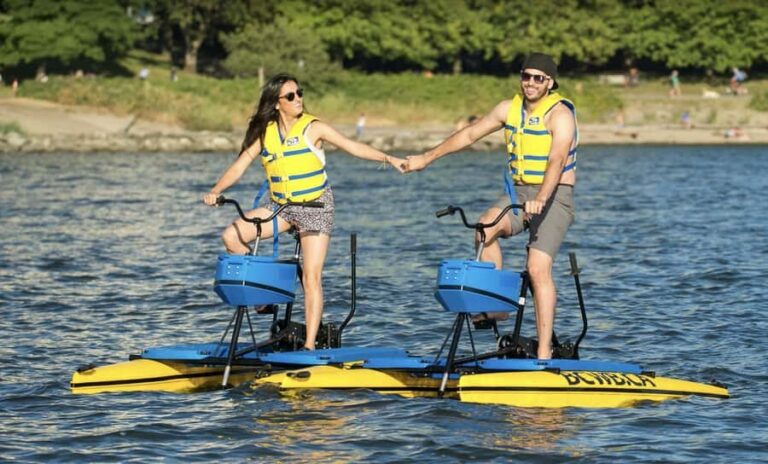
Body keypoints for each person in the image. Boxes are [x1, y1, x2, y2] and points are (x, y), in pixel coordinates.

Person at [203, 73, 405, 351]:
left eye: (299, 93)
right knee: (232, 236)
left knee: (311, 278)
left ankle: (310, 345)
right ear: (276, 103)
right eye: (290, 96)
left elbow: (352, 146)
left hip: (315, 206)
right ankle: (265, 291)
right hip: (281, 207)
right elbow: (240, 166)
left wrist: (390, 158)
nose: (298, 99)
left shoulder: (314, 127)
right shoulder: (266, 132)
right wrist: (216, 190)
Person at [404, 53, 578, 360]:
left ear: (550, 83)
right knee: (485, 227)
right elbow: (469, 134)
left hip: (555, 193)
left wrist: (541, 197)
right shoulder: (507, 109)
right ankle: (497, 307)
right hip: (520, 192)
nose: (531, 83)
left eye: (539, 78)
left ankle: (543, 352)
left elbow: (557, 159)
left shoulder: (560, 114)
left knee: (537, 269)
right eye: (527, 76)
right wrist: (425, 158)